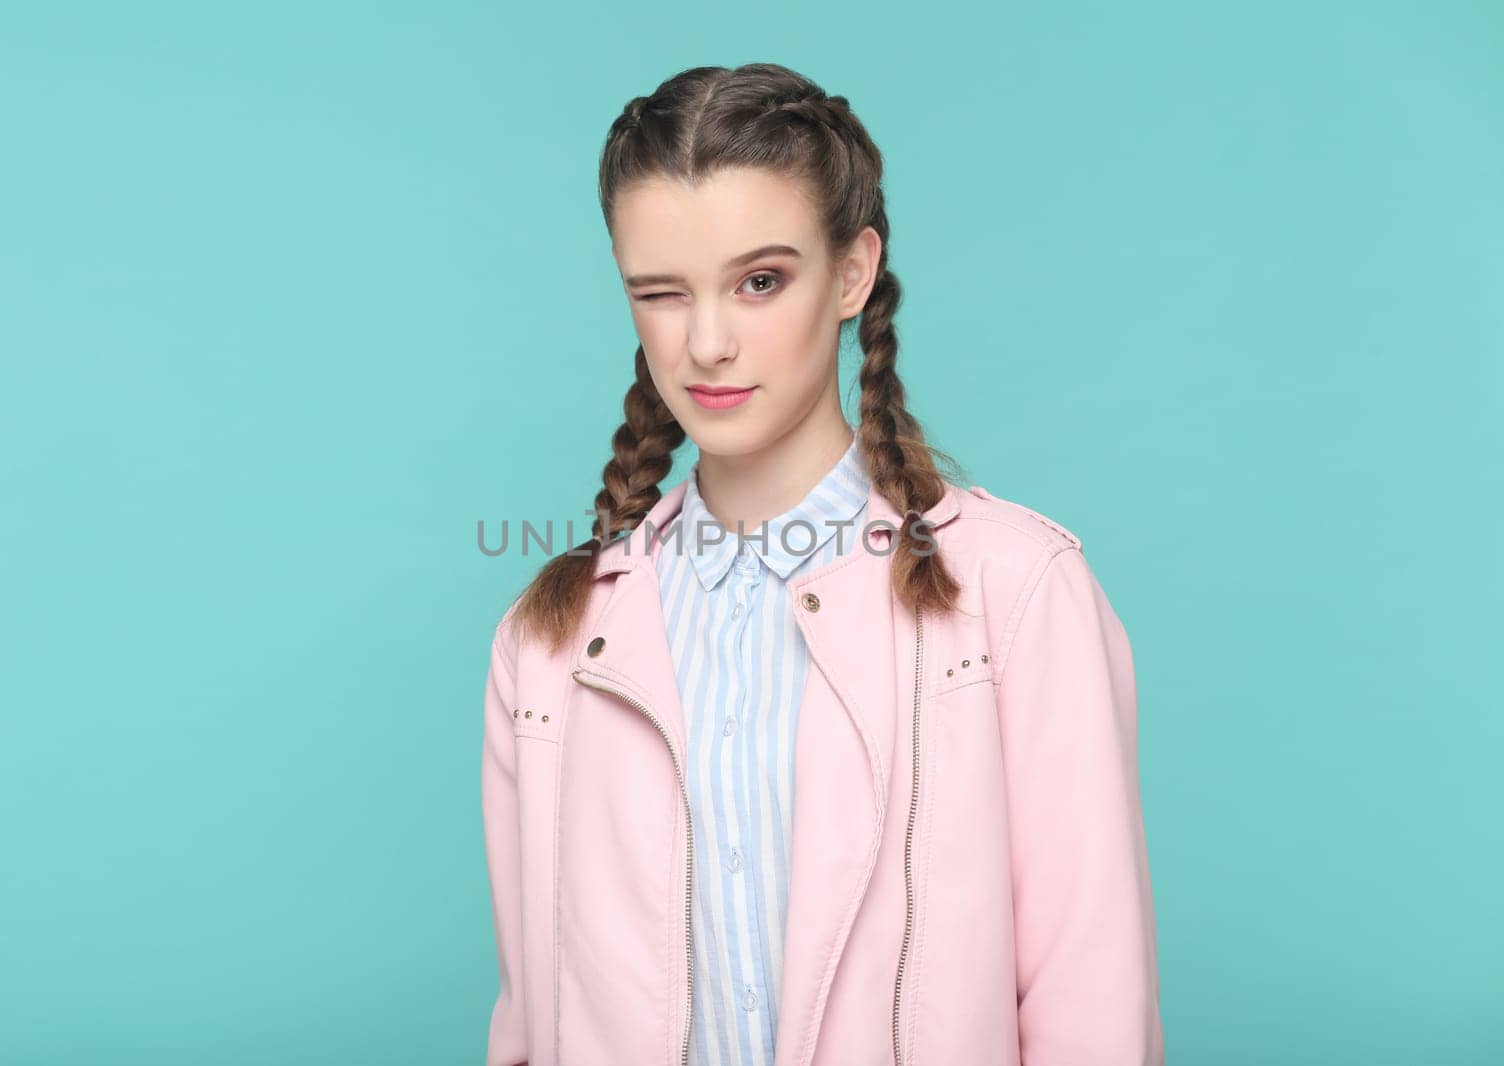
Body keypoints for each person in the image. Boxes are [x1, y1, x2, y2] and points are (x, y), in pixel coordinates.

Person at [479, 62, 1164, 1066]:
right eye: (662, 292)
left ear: (850, 273)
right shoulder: (544, 646)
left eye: (761, 280)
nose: (707, 342)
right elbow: (532, 1025)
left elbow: (1091, 1007)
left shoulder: (1016, 592)